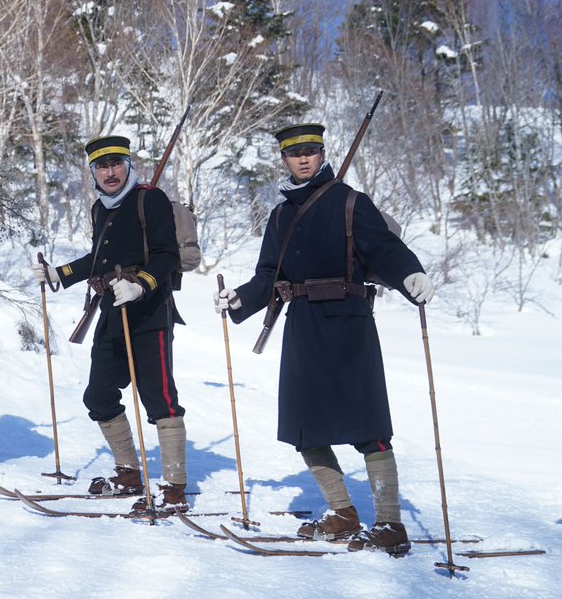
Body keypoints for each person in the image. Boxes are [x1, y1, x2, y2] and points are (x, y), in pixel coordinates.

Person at [214, 123, 434, 556]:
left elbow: (385, 249)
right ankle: (342, 513)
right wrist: (238, 300)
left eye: (311, 151)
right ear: (284, 160)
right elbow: (268, 276)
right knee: (304, 427)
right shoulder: (280, 215)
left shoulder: (351, 202)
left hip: (349, 324)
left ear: (321, 153)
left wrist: (410, 274)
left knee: (367, 425)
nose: (303, 159)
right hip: (302, 326)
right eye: (294, 153)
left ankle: (389, 522)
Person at [32, 135, 189, 512]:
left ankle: (175, 487)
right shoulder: (100, 209)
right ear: (93, 173)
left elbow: (168, 255)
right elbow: (100, 259)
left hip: (149, 311)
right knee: (98, 396)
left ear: (128, 164)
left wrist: (141, 285)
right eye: (102, 166)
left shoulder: (149, 199)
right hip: (111, 313)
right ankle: (129, 473)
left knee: (160, 399)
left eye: (116, 163)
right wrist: (60, 273)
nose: (110, 172)